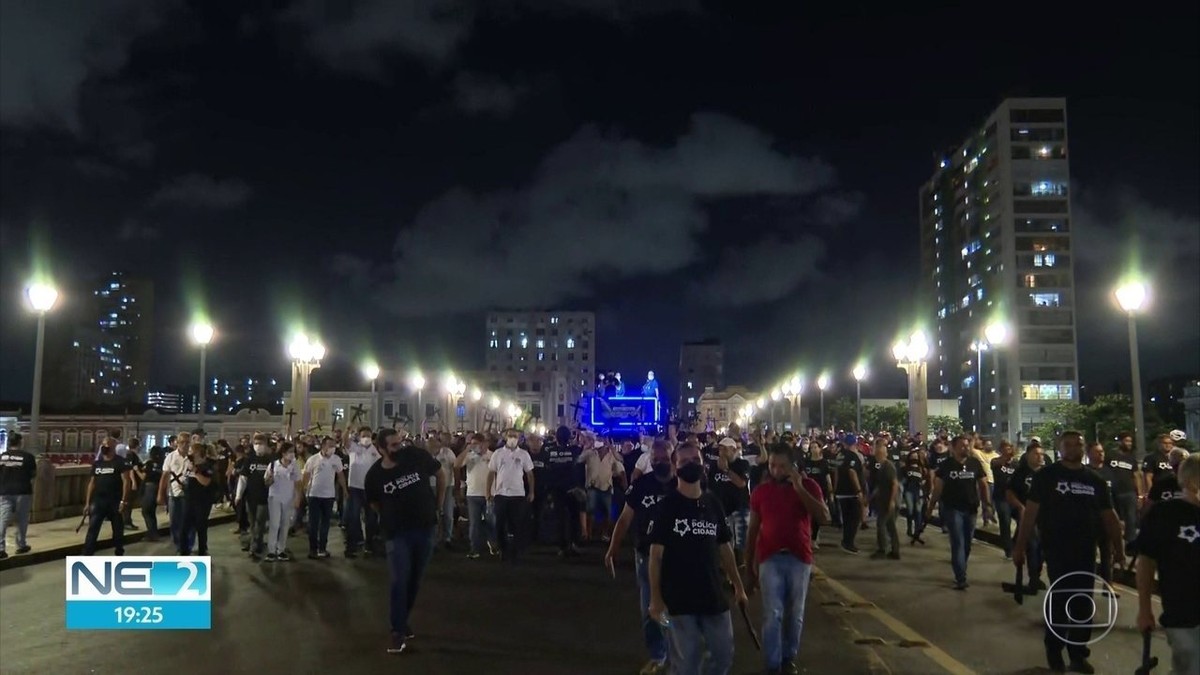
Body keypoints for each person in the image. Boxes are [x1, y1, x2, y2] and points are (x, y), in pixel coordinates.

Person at [1014, 431, 1123, 674]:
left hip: (1086, 551)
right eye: (1069, 445)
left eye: (1078, 444)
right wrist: (1020, 547)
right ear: (1059, 448)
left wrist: (1119, 548)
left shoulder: (1094, 481)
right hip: (1056, 550)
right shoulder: (1046, 477)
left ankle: (1078, 653)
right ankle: (1054, 652)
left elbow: (1110, 516)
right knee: (1060, 602)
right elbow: (1030, 514)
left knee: (1083, 605)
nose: (1074, 448)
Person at [647, 442, 748, 675]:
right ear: (675, 466)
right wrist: (655, 598)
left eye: (695, 460)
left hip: (713, 595)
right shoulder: (667, 506)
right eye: (684, 462)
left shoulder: (713, 503)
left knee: (723, 655)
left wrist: (738, 586)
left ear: (703, 464)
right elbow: (655, 556)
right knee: (686, 662)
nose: (691, 465)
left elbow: (725, 548)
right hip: (679, 600)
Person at [746, 444, 830, 675]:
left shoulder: (809, 486)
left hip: (798, 557)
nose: (776, 471)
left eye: (782, 466)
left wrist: (799, 487)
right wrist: (748, 567)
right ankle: (772, 664)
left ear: (793, 467)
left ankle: (788, 658)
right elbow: (753, 530)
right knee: (772, 613)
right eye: (772, 465)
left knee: (795, 612)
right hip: (769, 557)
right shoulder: (761, 492)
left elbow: (824, 517)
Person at [365, 428, 447, 654]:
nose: (398, 448)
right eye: (392, 445)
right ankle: (397, 631)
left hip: (424, 529)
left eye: (399, 443)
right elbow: (374, 503)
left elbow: (441, 475)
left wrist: (438, 507)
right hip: (396, 534)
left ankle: (403, 620)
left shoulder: (415, 456)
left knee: (414, 581)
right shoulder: (374, 476)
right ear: (380, 449)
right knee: (399, 580)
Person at [606, 439, 676, 675]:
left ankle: (680, 653)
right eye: (655, 459)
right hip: (645, 555)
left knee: (681, 607)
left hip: (678, 556)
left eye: (664, 458)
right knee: (650, 609)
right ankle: (658, 656)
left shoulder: (682, 484)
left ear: (672, 456)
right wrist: (613, 548)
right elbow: (625, 518)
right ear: (649, 460)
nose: (660, 462)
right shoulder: (641, 485)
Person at [1135, 453, 1200, 675]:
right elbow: (1146, 562)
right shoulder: (1165, 515)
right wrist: (1145, 609)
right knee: (1191, 664)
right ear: (1192, 483)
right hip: (1182, 612)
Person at [926, 435, 992, 590]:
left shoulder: (974, 463)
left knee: (967, 544)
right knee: (958, 543)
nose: (966, 448)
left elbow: (983, 485)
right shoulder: (947, 465)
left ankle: (961, 566)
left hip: (971, 509)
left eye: (967, 445)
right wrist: (930, 507)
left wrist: (987, 505)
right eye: (962, 445)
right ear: (953, 448)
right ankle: (960, 577)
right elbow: (938, 488)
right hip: (952, 509)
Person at [486, 428, 536, 563]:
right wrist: (488, 492)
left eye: (516, 436)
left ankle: (515, 550)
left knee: (516, 524)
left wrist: (531, 492)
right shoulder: (498, 454)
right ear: (505, 437)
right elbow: (491, 473)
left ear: (519, 438)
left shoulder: (524, 454)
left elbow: (530, 474)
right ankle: (503, 549)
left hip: (518, 494)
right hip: (501, 494)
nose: (513, 438)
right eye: (510, 436)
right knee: (500, 524)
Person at [83, 439, 132, 555]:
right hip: (99, 501)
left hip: (114, 500)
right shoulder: (98, 463)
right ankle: (87, 553)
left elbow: (126, 481)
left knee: (117, 529)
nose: (104, 447)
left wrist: (123, 501)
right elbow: (92, 483)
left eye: (107, 445)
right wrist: (87, 503)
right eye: (103, 445)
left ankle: (119, 550)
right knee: (93, 528)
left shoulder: (120, 462)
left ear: (113, 447)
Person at [304, 436, 348, 559]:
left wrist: (345, 490)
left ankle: (322, 548)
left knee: (325, 523)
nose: (332, 448)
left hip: (328, 496)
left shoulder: (336, 459)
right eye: (330, 445)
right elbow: (306, 476)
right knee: (313, 523)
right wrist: (303, 491)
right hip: (314, 494)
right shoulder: (313, 459)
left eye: (334, 445)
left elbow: (340, 476)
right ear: (323, 446)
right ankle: (313, 549)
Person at [457, 433, 498, 559]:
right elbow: (457, 465)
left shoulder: (492, 456)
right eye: (472, 443)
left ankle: (493, 544)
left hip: (490, 494)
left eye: (477, 444)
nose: (475, 446)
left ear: (484, 443)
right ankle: (474, 548)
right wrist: (467, 449)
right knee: (474, 523)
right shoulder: (469, 456)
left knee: (491, 521)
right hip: (473, 494)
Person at [710, 437, 750, 566]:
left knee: (741, 541)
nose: (721, 452)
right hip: (721, 509)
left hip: (739, 508)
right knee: (725, 542)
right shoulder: (714, 466)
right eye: (720, 449)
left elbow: (741, 483)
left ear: (733, 450)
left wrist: (726, 470)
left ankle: (742, 567)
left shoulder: (742, 464)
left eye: (725, 449)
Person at [235, 434, 275, 560]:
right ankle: (257, 542)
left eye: (261, 443)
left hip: (265, 497)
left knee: (260, 522)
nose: (259, 446)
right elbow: (243, 478)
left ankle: (254, 546)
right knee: (252, 523)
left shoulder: (271, 460)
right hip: (250, 497)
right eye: (256, 443)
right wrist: (238, 495)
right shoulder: (249, 460)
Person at [345, 428, 381, 558]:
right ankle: (352, 546)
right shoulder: (354, 448)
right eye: (364, 435)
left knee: (371, 518)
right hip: (355, 488)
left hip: (370, 489)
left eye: (368, 435)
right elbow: (346, 442)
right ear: (359, 437)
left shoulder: (375, 451)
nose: (366, 438)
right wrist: (348, 430)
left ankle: (370, 545)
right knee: (353, 518)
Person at [0, 432, 37, 559]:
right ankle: (21, 545)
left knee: (2, 520)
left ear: (9, 443)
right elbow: (33, 475)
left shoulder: (2, 457)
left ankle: (1, 548)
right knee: (21, 520)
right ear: (20, 442)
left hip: (5, 491)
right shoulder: (28, 457)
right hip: (23, 491)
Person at [264, 443, 302, 562]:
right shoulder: (273, 465)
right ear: (283, 453)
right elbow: (266, 483)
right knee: (275, 524)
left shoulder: (294, 466)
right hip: (274, 498)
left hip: (288, 498)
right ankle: (271, 550)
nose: (292, 454)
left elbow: (298, 483)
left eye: (293, 452)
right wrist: (269, 479)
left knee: (285, 524)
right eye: (289, 452)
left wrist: (297, 498)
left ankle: (281, 550)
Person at [1106, 431, 1141, 554]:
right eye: (1126, 441)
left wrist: (1139, 493)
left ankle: (1130, 545)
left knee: (1131, 519)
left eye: (1130, 441)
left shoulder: (1131, 458)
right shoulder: (1110, 455)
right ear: (1120, 442)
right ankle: (1114, 546)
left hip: (1129, 492)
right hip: (1113, 492)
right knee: (1114, 520)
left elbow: (1136, 476)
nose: (1129, 443)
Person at [158, 432, 194, 552]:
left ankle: (187, 545)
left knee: (188, 521)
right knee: (174, 521)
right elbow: (165, 475)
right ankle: (178, 544)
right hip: (173, 493)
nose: (184, 445)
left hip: (188, 494)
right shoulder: (171, 457)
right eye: (182, 442)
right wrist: (160, 494)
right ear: (177, 443)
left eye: (187, 442)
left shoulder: (193, 457)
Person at [831, 435, 866, 554]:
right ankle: (849, 542)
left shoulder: (839, 455)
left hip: (841, 492)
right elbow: (852, 472)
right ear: (854, 444)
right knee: (854, 519)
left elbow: (836, 472)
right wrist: (858, 490)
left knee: (846, 519)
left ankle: (845, 541)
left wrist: (835, 488)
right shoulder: (853, 456)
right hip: (851, 492)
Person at [181, 442, 215, 556]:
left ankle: (202, 550)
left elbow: (206, 482)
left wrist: (195, 471)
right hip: (188, 499)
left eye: (192, 452)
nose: (190, 454)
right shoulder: (189, 465)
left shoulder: (207, 466)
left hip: (202, 502)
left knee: (201, 527)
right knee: (184, 526)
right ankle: (184, 551)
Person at [870, 440, 900, 560]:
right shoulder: (883, 467)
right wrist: (871, 497)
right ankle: (895, 550)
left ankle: (882, 549)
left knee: (881, 524)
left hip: (887, 501)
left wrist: (892, 501)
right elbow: (880, 486)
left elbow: (894, 484)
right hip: (884, 500)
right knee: (891, 526)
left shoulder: (888, 466)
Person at [901, 443, 928, 546]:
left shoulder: (921, 469)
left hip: (918, 492)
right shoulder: (905, 468)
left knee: (918, 511)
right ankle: (909, 528)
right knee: (910, 510)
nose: (914, 456)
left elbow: (925, 480)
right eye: (913, 455)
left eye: (916, 455)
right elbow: (903, 480)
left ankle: (917, 531)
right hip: (909, 491)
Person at [137, 446, 164, 541]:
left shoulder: (149, 463)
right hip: (158, 488)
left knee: (146, 511)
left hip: (149, 488)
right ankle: (153, 532)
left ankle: (152, 534)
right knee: (151, 511)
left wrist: (136, 470)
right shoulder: (162, 464)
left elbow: (144, 477)